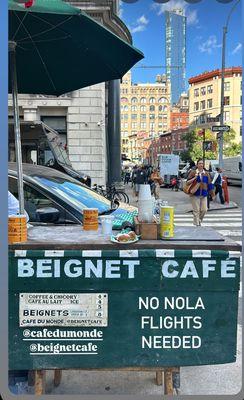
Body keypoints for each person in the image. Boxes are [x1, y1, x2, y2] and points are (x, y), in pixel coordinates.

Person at [186, 159, 215, 226]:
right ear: (197, 164)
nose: (201, 165)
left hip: (204, 194)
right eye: (199, 163)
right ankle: (197, 225)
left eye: (202, 163)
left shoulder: (206, 173)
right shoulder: (193, 172)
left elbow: (209, 184)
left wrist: (213, 194)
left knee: (204, 210)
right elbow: (187, 182)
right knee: (196, 211)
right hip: (194, 194)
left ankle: (199, 220)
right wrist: (195, 178)